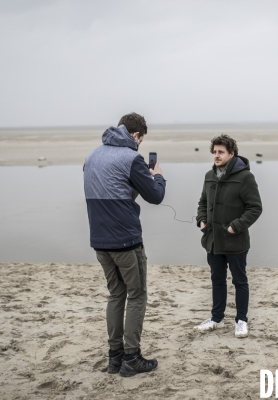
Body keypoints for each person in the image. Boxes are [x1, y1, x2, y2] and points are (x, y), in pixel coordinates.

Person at [83, 112, 165, 377]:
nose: (140, 144)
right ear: (136, 135)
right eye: (140, 139)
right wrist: (158, 176)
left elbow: (115, 191)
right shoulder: (132, 158)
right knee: (137, 295)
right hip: (126, 242)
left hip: (99, 240)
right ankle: (131, 357)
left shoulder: (92, 155)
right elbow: (155, 196)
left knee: (116, 295)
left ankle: (114, 357)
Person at [194, 134, 263, 338]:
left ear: (232, 154)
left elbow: (255, 208)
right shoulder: (209, 175)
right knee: (217, 280)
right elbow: (202, 203)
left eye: (221, 152)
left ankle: (241, 320)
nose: (216, 155)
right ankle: (216, 318)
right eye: (214, 152)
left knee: (239, 281)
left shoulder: (245, 177)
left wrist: (236, 226)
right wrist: (201, 220)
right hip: (213, 241)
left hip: (236, 240)